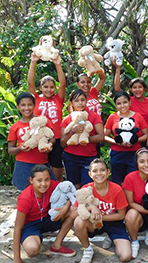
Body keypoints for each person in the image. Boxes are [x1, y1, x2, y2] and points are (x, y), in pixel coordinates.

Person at [6, 165, 75, 263]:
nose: (44, 184)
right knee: (32, 250)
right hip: (31, 225)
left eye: (46, 179)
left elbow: (70, 192)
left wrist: (65, 208)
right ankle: (34, 237)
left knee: (72, 211)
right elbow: (18, 228)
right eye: (39, 180)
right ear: (31, 180)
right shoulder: (25, 198)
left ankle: (56, 245)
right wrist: (16, 259)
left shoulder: (53, 185)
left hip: (48, 218)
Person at [72, 158, 131, 263]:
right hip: (93, 224)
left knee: (125, 256)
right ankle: (88, 249)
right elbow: (73, 213)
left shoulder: (117, 189)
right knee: (78, 221)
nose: (99, 173)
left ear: (108, 172)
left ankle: (111, 236)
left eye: (102, 170)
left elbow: (121, 215)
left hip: (113, 222)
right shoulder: (86, 189)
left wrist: (100, 216)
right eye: (95, 171)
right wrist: (90, 207)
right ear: (90, 174)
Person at [27, 53, 66, 181]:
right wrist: (33, 62)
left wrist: (57, 64)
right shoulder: (36, 99)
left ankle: (57, 193)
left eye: (51, 87)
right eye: (45, 87)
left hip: (57, 138)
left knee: (57, 170)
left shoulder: (58, 99)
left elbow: (63, 84)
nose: (49, 89)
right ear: (41, 88)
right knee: (39, 169)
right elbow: (30, 83)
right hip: (40, 138)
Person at [8, 92, 55, 190]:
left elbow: (52, 138)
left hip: (42, 163)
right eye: (23, 105)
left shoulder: (43, 121)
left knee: (46, 190)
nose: (26, 108)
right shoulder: (15, 127)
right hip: (23, 164)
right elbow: (10, 150)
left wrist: (49, 145)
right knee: (24, 191)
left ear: (34, 105)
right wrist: (20, 148)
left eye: (30, 105)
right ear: (17, 106)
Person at [60, 90, 104, 188]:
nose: (80, 103)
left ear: (86, 101)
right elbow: (63, 143)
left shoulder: (94, 116)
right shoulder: (67, 119)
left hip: (88, 157)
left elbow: (101, 136)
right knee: (73, 186)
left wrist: (84, 139)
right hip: (70, 157)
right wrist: (72, 132)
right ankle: (74, 203)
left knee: (88, 186)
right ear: (71, 103)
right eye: (76, 100)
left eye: (82, 100)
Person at [104, 91, 148, 184]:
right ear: (115, 105)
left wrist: (135, 141)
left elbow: (146, 135)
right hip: (117, 153)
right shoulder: (112, 117)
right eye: (119, 103)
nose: (122, 105)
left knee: (133, 181)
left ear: (130, 102)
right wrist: (117, 142)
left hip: (134, 153)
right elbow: (104, 136)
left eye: (125, 102)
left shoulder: (137, 116)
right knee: (117, 181)